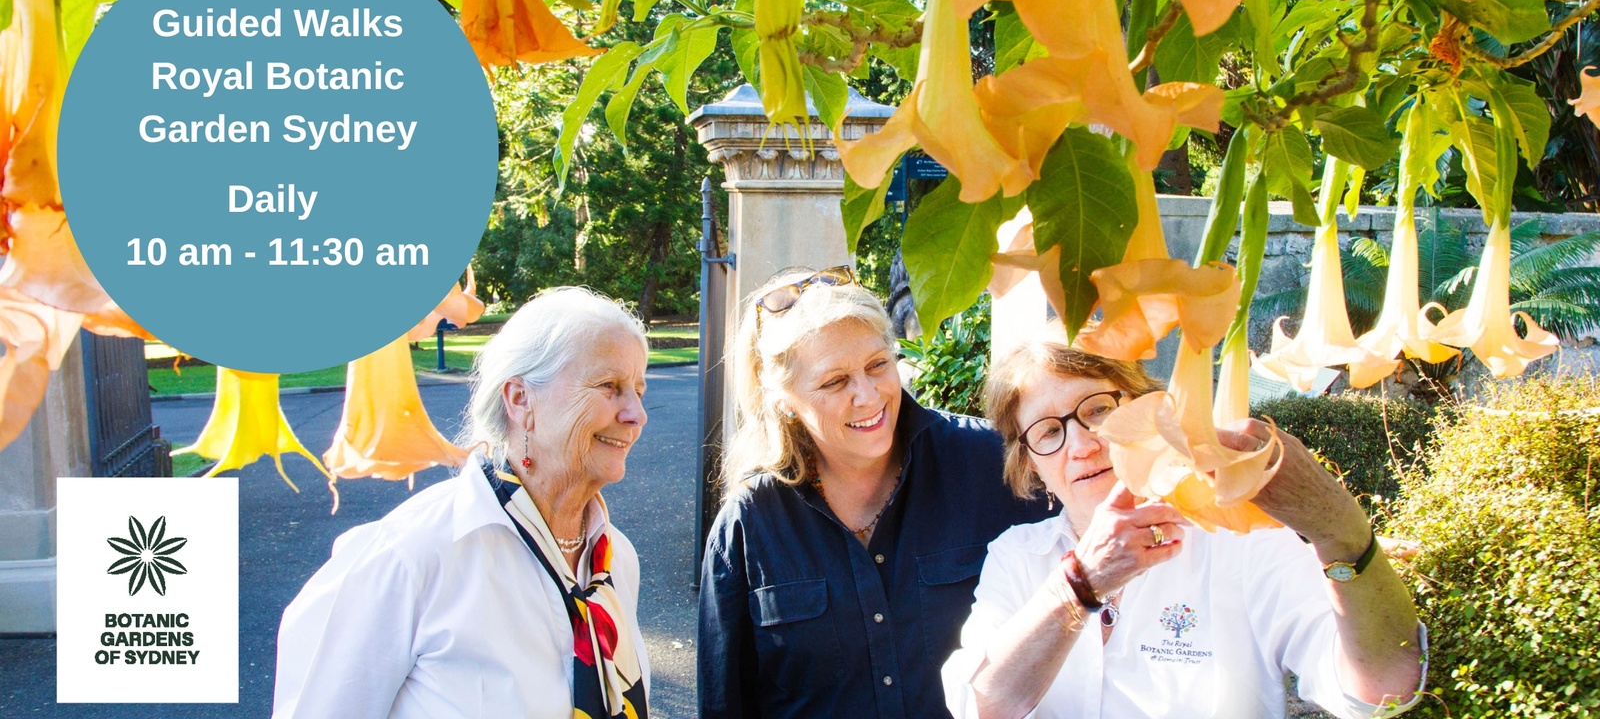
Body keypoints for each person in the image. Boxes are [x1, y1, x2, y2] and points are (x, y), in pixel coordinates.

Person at [941, 331, 1427, 718]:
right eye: (1048, 431)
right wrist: (1080, 585)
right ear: (1030, 465)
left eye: (1097, 410)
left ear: (1152, 411)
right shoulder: (1018, 557)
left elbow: (1378, 693)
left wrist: (1342, 533)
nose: (1082, 444)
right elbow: (982, 707)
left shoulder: (1242, 541)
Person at [273, 287, 652, 719]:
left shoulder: (616, 559)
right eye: (609, 386)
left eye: (638, 390)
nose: (636, 413)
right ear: (520, 399)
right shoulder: (412, 556)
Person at [698, 266, 1050, 719]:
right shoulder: (749, 526)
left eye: (877, 365)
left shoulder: (992, 465)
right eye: (834, 381)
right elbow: (725, 704)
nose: (868, 395)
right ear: (783, 399)